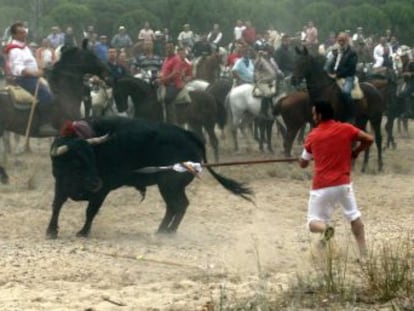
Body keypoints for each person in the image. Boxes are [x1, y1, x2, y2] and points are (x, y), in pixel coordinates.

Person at [299, 100, 373, 257]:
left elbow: (303, 163)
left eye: (314, 114)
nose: (313, 117)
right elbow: (369, 139)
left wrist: (305, 158)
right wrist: (356, 151)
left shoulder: (313, 135)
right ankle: (364, 254)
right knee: (354, 216)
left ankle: (326, 230)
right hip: (343, 184)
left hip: (321, 186)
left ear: (319, 115)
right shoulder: (346, 129)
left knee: (313, 222)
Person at [5, 21, 57, 135]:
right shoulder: (15, 49)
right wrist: (35, 73)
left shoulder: (24, 46)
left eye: (25, 32)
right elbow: (19, 68)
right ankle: (44, 125)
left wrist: (40, 67)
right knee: (47, 96)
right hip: (24, 79)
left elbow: (31, 62)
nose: (25, 34)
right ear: (14, 35)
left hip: (33, 76)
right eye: (21, 33)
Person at [326, 32, 357, 122]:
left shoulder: (352, 52)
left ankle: (351, 115)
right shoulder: (335, 52)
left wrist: (337, 75)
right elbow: (331, 65)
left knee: (345, 93)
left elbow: (351, 68)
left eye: (343, 40)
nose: (341, 42)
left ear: (347, 41)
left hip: (348, 77)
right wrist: (328, 72)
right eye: (339, 40)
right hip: (335, 76)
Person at [159, 42, 185, 124]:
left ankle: (172, 122)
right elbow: (163, 71)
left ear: (174, 49)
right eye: (167, 48)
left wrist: (163, 80)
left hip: (174, 85)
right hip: (165, 83)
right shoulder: (166, 59)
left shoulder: (177, 59)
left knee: (167, 98)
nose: (168, 49)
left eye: (170, 48)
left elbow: (175, 74)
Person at [397, 46, 414, 118]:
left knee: (405, 93)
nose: (401, 58)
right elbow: (402, 74)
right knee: (398, 92)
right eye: (401, 57)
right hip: (407, 82)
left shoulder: (411, 63)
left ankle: (409, 112)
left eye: (403, 56)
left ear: (406, 56)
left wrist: (410, 74)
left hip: (412, 81)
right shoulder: (404, 64)